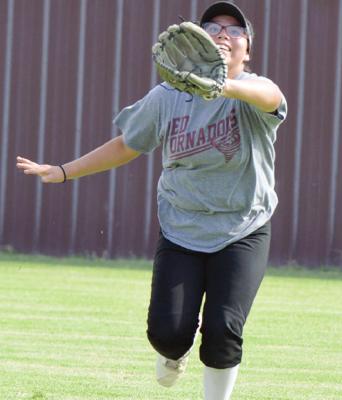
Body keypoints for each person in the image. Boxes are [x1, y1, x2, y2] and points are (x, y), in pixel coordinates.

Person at [16, 1, 287, 399]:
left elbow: (270, 96)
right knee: (167, 332)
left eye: (235, 29)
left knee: (223, 329)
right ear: (197, 40)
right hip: (182, 226)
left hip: (242, 227)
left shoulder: (251, 91)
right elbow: (129, 144)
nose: (223, 34)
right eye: (212, 27)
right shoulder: (168, 96)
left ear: (248, 49)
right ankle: (172, 351)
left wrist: (221, 85)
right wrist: (62, 170)